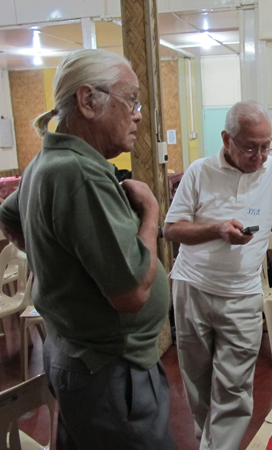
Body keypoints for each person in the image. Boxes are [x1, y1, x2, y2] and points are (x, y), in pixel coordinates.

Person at [0, 49, 175, 449]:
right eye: (130, 100)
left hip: (79, 357)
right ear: (87, 101)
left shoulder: (47, 161)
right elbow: (132, 293)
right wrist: (150, 212)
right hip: (111, 370)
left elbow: (9, 218)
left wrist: (62, 269)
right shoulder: (78, 172)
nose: (138, 114)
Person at [163, 101, 272, 450]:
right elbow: (172, 230)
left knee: (234, 389)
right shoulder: (199, 171)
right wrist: (216, 229)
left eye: (267, 146)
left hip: (243, 293)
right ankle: (210, 442)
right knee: (197, 382)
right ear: (226, 139)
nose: (260, 155)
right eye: (251, 147)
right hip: (192, 289)